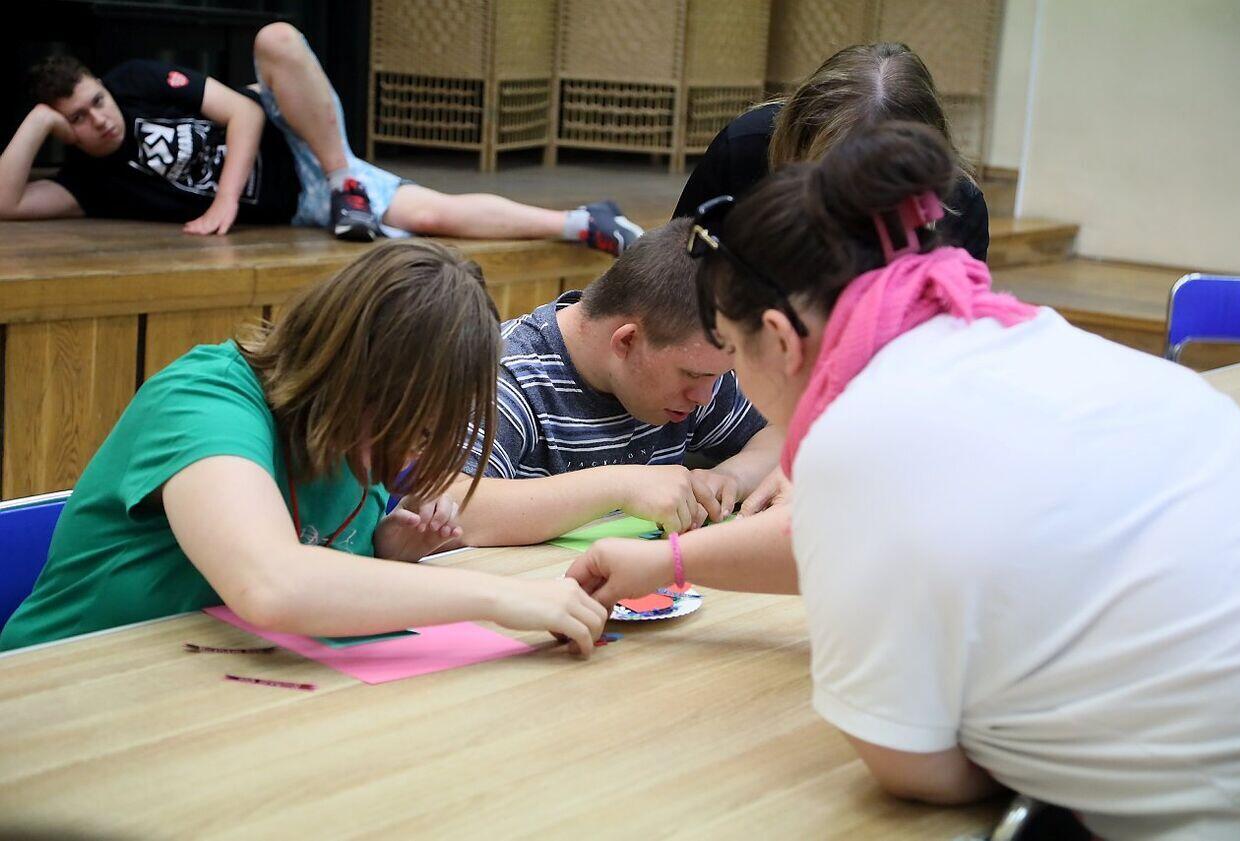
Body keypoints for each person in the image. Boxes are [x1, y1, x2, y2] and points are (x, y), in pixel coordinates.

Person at [570, 122, 1240, 838]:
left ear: (778, 337)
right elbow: (849, 535)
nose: (733, 382)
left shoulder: (859, 433)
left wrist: (1014, 742)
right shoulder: (1013, 334)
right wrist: (666, 561)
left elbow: (912, 767)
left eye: (733, 353)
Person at [0, 240, 606, 654]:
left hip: (202, 691)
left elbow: (321, 572)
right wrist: (502, 596)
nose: (410, 458)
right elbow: (272, 583)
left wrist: (387, 549)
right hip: (56, 690)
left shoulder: (347, 435)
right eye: (412, 429)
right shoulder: (204, 400)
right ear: (355, 375)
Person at [0, 22, 642, 252]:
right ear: (62, 130)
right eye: (76, 119)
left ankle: (346, 181)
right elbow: (9, 203)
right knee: (432, 215)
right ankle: (585, 223)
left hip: (296, 134)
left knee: (276, 38)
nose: (99, 118)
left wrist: (224, 200)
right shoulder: (89, 184)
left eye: (96, 101)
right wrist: (36, 124)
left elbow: (245, 113)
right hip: (302, 202)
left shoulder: (137, 81)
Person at [452, 218, 781, 547]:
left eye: (717, 376)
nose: (705, 397)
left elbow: (783, 433)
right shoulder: (506, 374)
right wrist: (619, 487)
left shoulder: (695, 362)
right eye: (693, 375)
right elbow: (451, 509)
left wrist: (732, 477)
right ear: (626, 341)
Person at [673, 42, 988, 263]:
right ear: (798, 133)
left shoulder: (956, 204)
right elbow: (674, 271)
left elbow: (953, 328)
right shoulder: (747, 146)